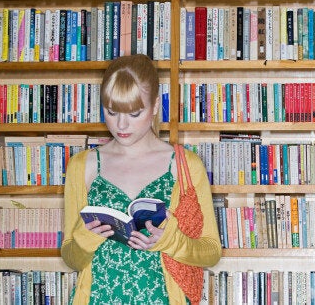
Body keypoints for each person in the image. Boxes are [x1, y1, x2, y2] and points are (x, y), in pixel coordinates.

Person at [61, 54, 222, 304]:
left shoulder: (186, 165)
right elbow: (71, 258)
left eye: (135, 113)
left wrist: (172, 241)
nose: (121, 125)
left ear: (155, 106)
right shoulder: (82, 166)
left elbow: (211, 252)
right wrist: (85, 237)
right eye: (112, 111)